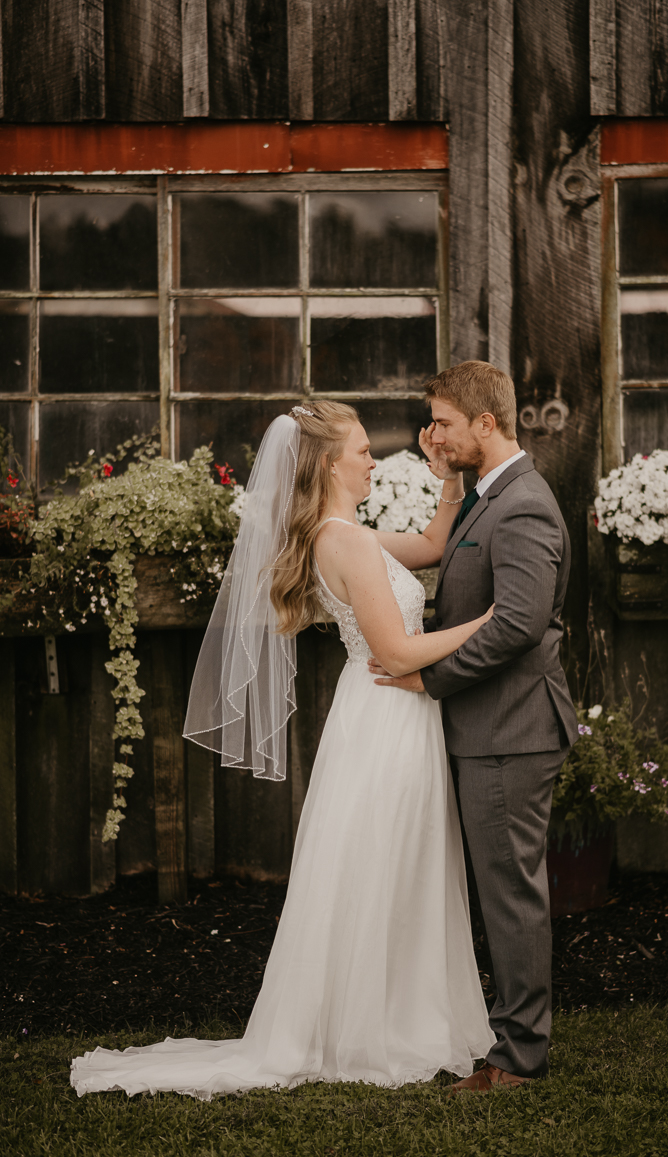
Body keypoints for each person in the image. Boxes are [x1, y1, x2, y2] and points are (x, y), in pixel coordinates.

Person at [71, 399, 494, 1099]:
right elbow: (394, 650)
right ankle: (380, 1027)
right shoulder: (346, 541)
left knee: (388, 863)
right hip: (387, 714)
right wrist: (489, 624)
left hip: (377, 716)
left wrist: (447, 476)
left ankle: (389, 1016)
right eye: (361, 450)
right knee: (385, 861)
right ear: (330, 463)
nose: (372, 460)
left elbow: (428, 547)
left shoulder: (339, 533)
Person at [369, 361, 578, 1092]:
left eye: (446, 424)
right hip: (492, 727)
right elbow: (453, 566)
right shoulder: (492, 494)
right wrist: (445, 472)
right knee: (500, 890)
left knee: (511, 895)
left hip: (510, 730)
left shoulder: (523, 505)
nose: (434, 434)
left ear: (486, 424)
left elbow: (517, 624)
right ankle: (508, 1039)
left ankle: (520, 1060)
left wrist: (429, 678)